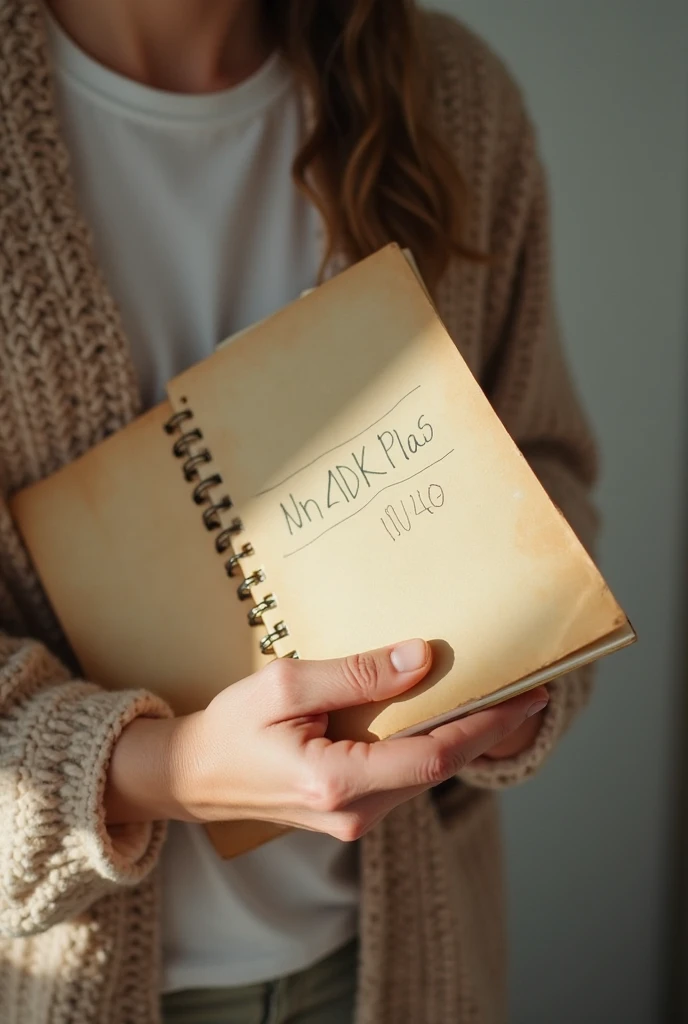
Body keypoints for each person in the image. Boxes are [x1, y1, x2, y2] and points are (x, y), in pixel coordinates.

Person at [0, 1, 599, 1022]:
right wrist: (156, 769)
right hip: (56, 980)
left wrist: (520, 670)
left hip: (401, 967)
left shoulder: (452, 96)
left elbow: (543, 461)